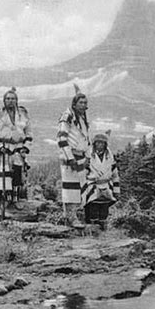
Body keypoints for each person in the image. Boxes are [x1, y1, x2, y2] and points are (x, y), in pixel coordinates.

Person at [0, 87, 32, 215]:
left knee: (17, 174)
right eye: (8, 99)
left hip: (18, 148)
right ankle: (4, 201)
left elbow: (28, 131)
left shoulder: (23, 114)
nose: (10, 101)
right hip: (4, 147)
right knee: (4, 174)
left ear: (16, 100)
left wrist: (26, 147)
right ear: (4, 100)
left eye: (13, 99)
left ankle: (17, 199)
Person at [57, 85, 90, 228]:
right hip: (70, 157)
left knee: (80, 186)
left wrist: (87, 156)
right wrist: (70, 158)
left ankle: (73, 214)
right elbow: (62, 138)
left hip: (81, 156)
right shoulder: (67, 117)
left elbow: (86, 138)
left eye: (85, 103)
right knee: (70, 187)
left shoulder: (82, 119)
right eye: (80, 103)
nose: (83, 105)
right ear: (74, 104)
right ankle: (70, 216)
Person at [83, 132, 120, 230]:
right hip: (93, 186)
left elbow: (115, 174)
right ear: (94, 144)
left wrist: (116, 191)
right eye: (98, 143)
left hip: (106, 186)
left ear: (105, 144)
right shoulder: (89, 156)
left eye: (102, 143)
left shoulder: (110, 157)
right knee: (93, 207)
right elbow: (83, 173)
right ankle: (92, 229)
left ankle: (103, 229)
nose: (100, 145)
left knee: (104, 208)